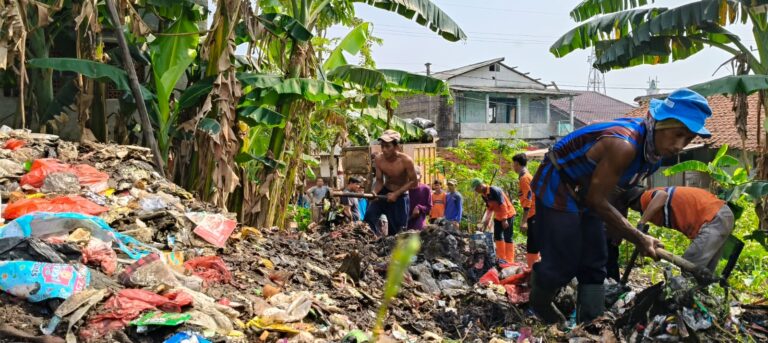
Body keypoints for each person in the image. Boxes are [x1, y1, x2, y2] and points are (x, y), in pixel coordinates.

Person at [528, 88, 712, 325]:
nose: (679, 145)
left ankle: (591, 323)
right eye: (677, 134)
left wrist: (619, 229)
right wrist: (637, 236)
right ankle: (539, 303)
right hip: (559, 182)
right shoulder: (624, 145)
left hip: (588, 192)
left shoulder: (653, 155)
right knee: (564, 260)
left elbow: (614, 190)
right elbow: (597, 200)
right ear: (659, 124)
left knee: (596, 260)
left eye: (688, 139)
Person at [622, 186, 735, 274]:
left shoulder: (646, 197)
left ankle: (686, 301)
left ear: (633, 204)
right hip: (720, 215)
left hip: (714, 217)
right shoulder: (651, 208)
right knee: (703, 272)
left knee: (689, 266)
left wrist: (641, 223)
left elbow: (662, 196)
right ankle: (701, 300)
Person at [363, 130, 417, 236]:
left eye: (388, 146)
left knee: (397, 231)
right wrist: (374, 192)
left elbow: (414, 182)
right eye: (382, 146)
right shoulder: (379, 159)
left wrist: (396, 194)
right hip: (385, 192)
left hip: (401, 196)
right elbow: (379, 181)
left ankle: (393, 248)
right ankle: (376, 241)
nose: (384, 149)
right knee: (369, 216)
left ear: (396, 146)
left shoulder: (406, 161)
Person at [472, 178, 516, 264]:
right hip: (498, 215)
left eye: (476, 189)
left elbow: (503, 205)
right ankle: (501, 258)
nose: (476, 191)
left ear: (480, 186)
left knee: (508, 237)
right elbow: (489, 208)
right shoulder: (484, 195)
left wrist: (504, 220)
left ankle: (510, 261)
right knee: (497, 236)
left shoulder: (494, 190)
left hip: (508, 214)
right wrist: (485, 221)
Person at [513, 153, 539, 269]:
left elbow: (528, 200)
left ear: (517, 164)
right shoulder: (526, 176)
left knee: (532, 244)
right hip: (534, 213)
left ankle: (532, 269)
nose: (512, 166)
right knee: (533, 242)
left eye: (513, 164)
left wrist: (524, 221)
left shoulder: (524, 178)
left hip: (533, 213)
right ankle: (533, 267)